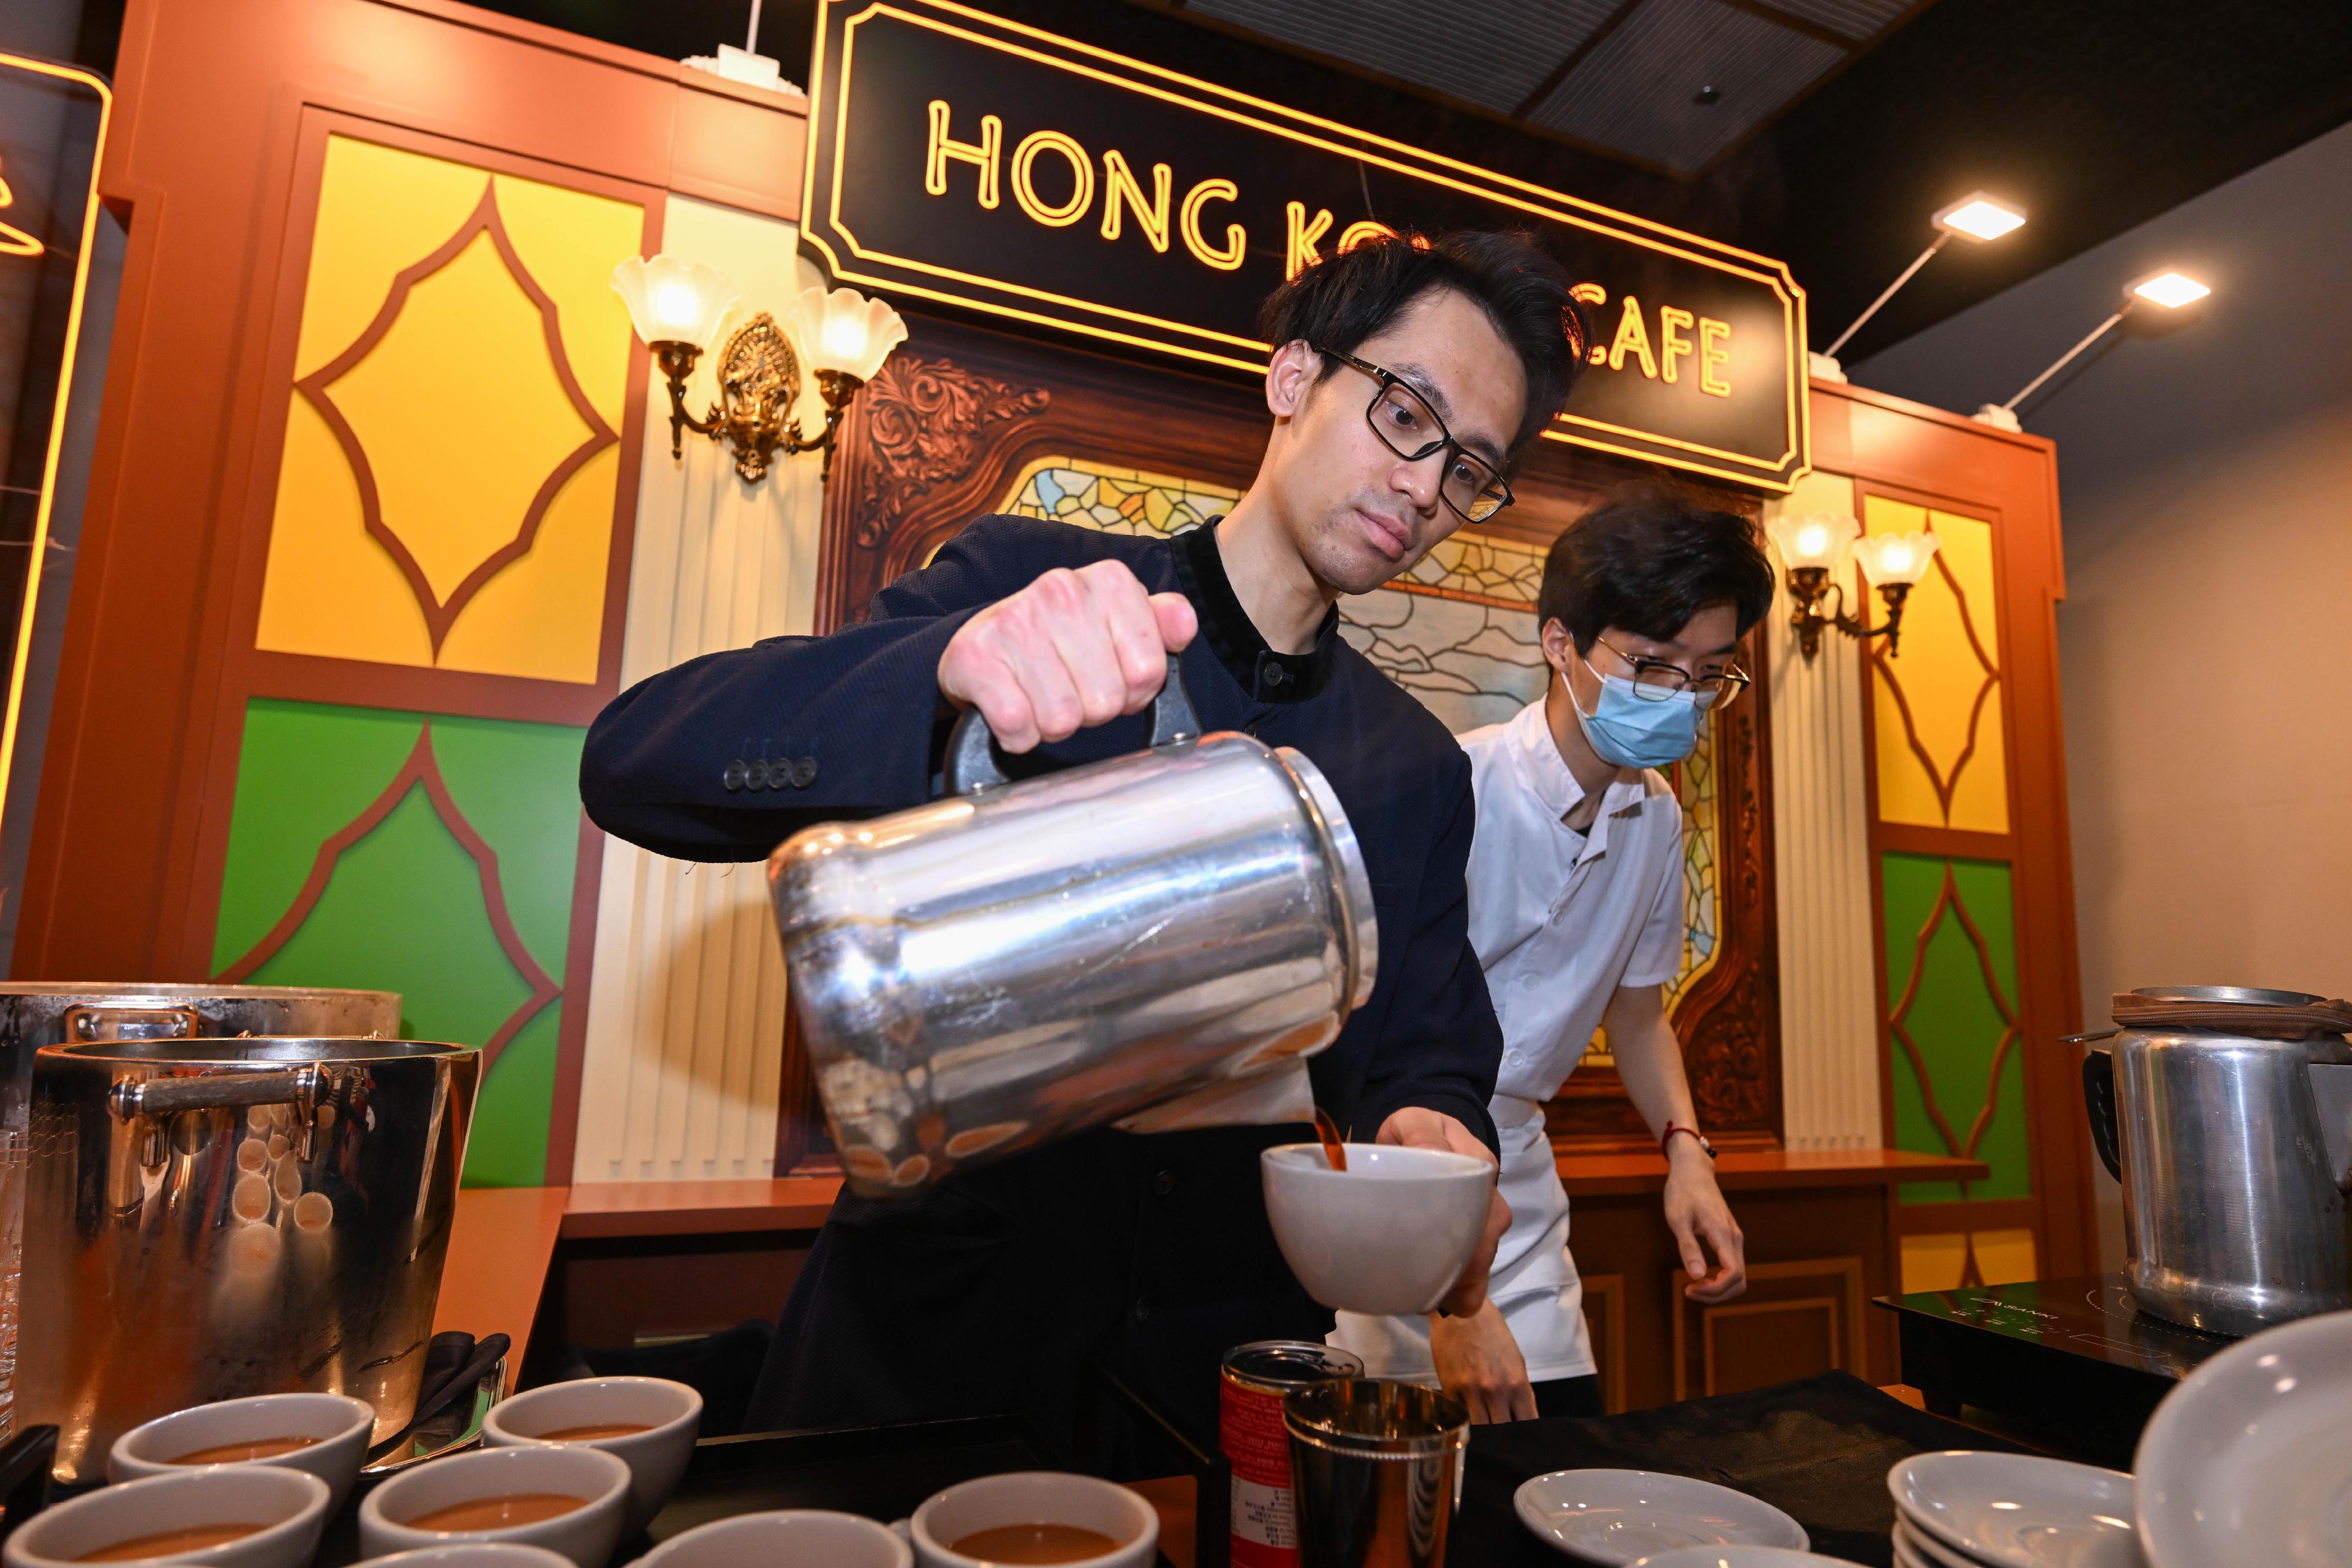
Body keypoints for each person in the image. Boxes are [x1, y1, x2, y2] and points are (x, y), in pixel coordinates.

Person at [577, 231, 1589, 1445]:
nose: (1427, 489)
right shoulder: (1035, 586)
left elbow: (1424, 1053)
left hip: (1207, 1389)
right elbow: (636, 763)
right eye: (1404, 414)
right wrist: (939, 676)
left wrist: (1437, 1131)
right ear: (1290, 378)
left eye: (1470, 466)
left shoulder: (1415, 766)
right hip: (929, 1355)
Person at [1330, 482, 1775, 1421]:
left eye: (1708, 675)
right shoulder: (1452, 784)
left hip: (1520, 1181)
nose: (1681, 700)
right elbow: (1355, 1042)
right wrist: (1455, 1292)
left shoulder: (1655, 816)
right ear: (1560, 643)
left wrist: (1686, 1155)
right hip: (1389, 1179)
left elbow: (1640, 1011)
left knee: (1557, 1456)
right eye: (1653, 666)